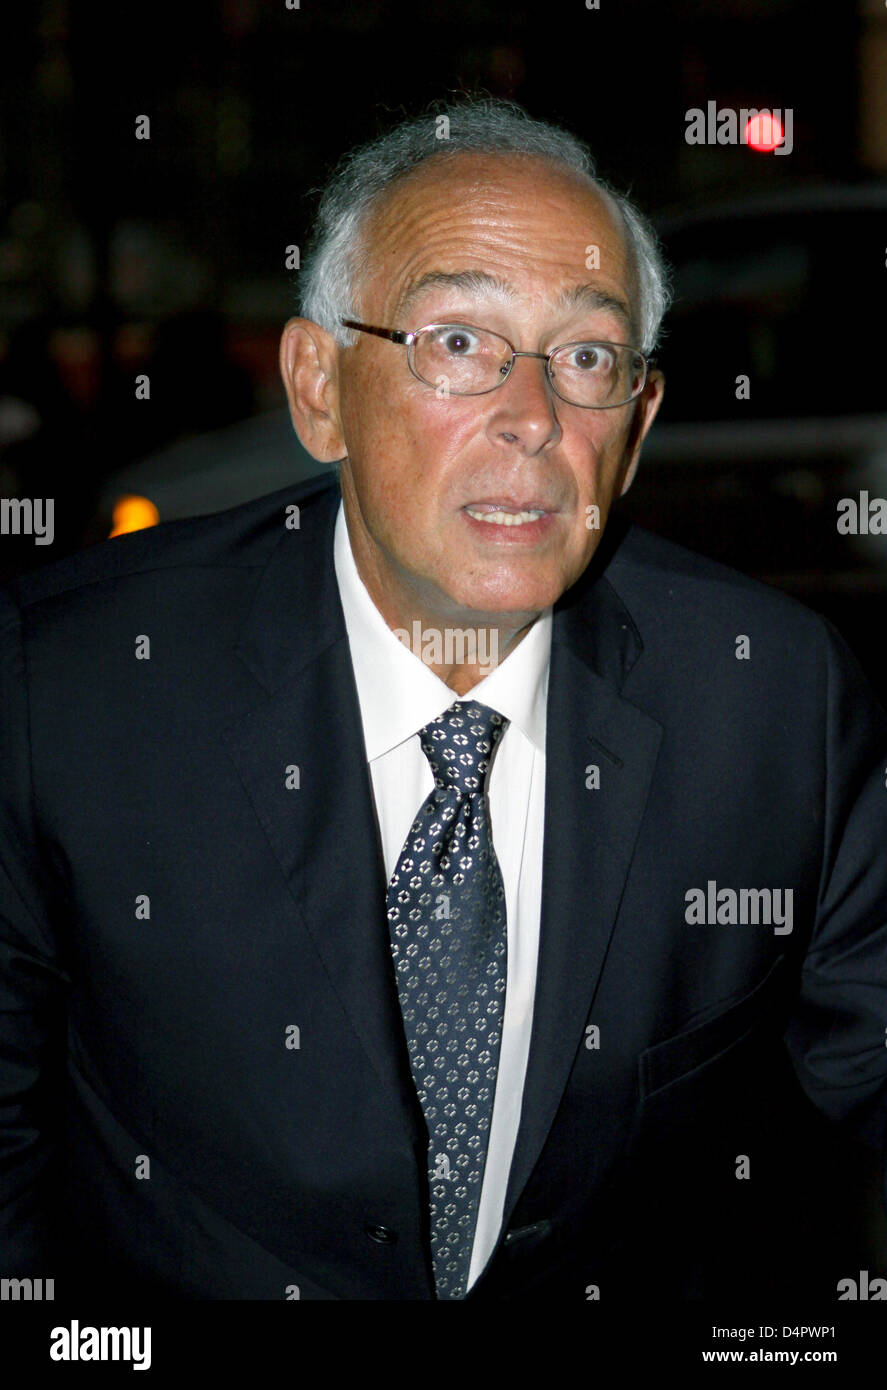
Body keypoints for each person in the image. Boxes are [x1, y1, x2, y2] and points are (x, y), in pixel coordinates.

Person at [1, 97, 885, 1302]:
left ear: (632, 429)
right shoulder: (75, 685)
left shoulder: (771, 699)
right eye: (457, 343)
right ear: (316, 388)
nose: (530, 420)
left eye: (585, 356)